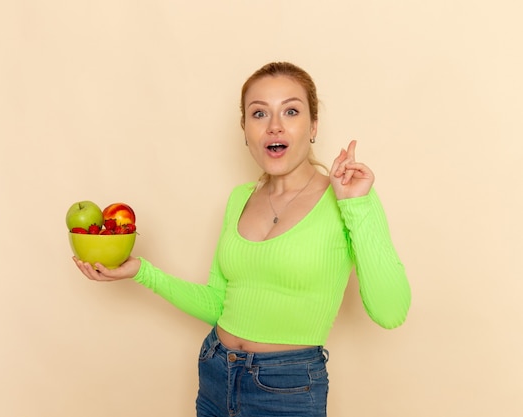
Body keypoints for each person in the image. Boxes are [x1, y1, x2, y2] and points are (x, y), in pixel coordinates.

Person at [73, 61, 411, 417]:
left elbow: (390, 312)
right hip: (216, 370)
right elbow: (220, 305)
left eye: (291, 111)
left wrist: (355, 207)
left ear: (313, 126)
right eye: (259, 113)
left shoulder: (349, 197)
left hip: (288, 388)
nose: (274, 126)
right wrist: (141, 271)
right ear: (245, 129)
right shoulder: (240, 198)